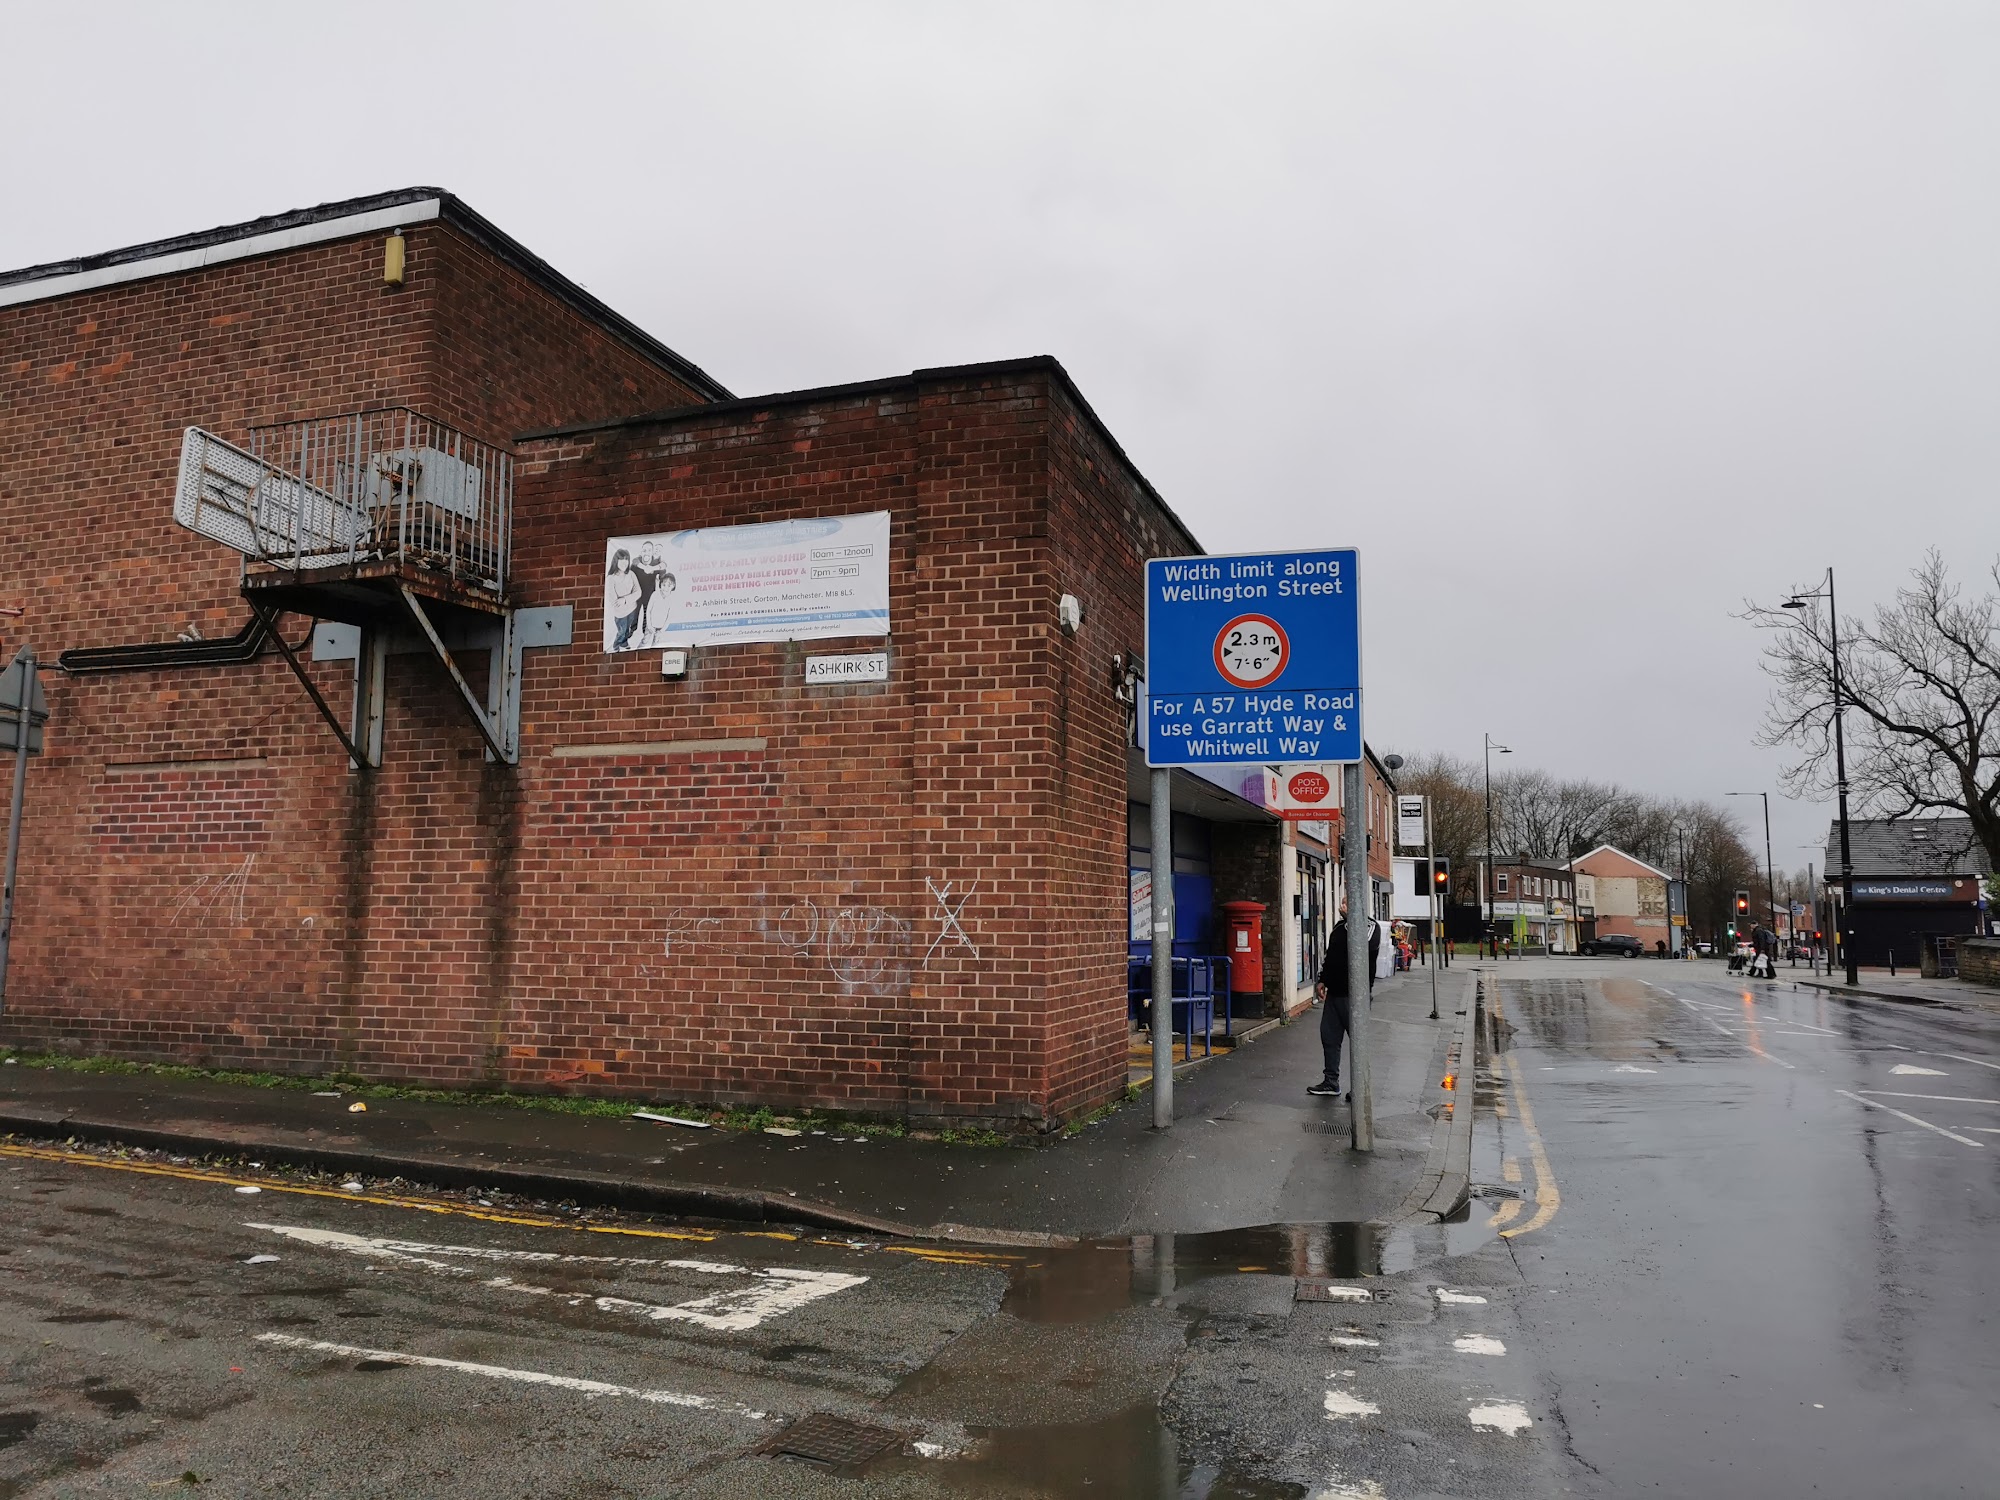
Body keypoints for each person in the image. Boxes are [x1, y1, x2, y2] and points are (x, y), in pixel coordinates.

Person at [1309, 907, 1380, 1099]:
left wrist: (1352, 918)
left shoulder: (1371, 926)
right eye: (1341, 902)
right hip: (1335, 993)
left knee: (1358, 1042)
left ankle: (1359, 1087)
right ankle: (1331, 1082)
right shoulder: (1339, 927)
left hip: (1356, 996)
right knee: (1329, 1037)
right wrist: (1323, 979)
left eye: (1347, 902)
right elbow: (1331, 956)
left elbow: (1362, 946)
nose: (1342, 906)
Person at [605, 549, 641, 651]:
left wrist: (624, 600)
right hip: (620, 613)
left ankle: (624, 643)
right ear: (616, 561)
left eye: (626, 560)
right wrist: (629, 599)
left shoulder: (631, 574)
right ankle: (616, 645)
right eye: (621, 560)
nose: (624, 563)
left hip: (632, 609)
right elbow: (614, 601)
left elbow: (638, 592)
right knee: (621, 631)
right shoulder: (611, 579)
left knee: (629, 630)